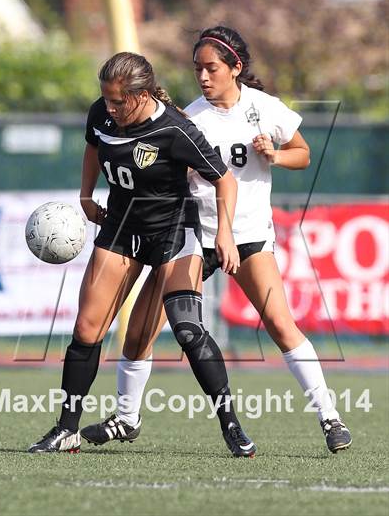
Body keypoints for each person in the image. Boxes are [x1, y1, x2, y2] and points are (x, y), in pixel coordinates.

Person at [85, 26, 352, 455]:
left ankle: (330, 417)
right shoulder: (189, 118)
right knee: (141, 332)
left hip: (247, 236)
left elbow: (302, 153)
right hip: (194, 234)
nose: (203, 78)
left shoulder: (263, 108)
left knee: (281, 325)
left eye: (211, 69)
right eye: (197, 70)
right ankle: (127, 418)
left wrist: (276, 155)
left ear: (236, 68)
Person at [28, 51, 256, 457]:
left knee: (187, 329)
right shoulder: (101, 114)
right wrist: (85, 195)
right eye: (107, 100)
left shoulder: (175, 129)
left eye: (118, 101)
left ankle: (232, 426)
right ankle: (66, 429)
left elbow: (225, 180)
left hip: (174, 233)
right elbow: (93, 148)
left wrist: (223, 233)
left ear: (142, 94)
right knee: (86, 331)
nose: (110, 108)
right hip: (120, 229)